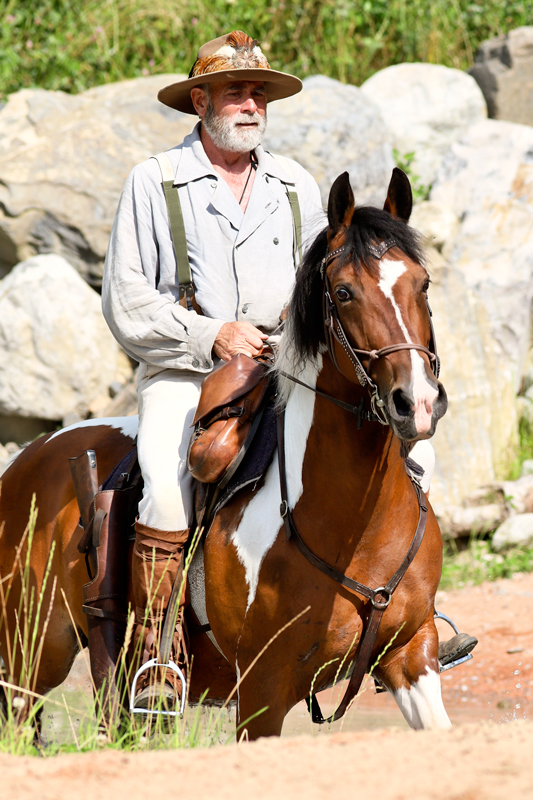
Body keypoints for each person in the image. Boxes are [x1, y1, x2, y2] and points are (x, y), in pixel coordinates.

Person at [102, 30, 324, 708]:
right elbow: (127, 298)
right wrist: (211, 335)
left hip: (281, 369)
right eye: (236, 91)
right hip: (185, 373)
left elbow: (320, 280)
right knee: (167, 489)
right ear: (200, 100)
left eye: (259, 92)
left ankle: (401, 617)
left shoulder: (294, 184)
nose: (251, 104)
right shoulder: (154, 180)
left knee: (370, 444)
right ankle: (157, 657)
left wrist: (291, 326)